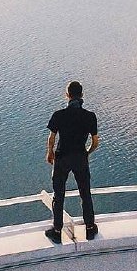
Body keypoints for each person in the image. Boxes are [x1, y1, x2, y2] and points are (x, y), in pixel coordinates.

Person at [45, 80, 100, 243]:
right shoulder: (90, 116)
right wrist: (87, 153)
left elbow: (52, 137)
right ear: (82, 95)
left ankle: (57, 231)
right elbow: (95, 142)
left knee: (59, 194)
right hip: (80, 157)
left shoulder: (58, 115)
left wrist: (50, 152)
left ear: (67, 95)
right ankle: (90, 228)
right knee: (85, 193)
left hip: (62, 157)